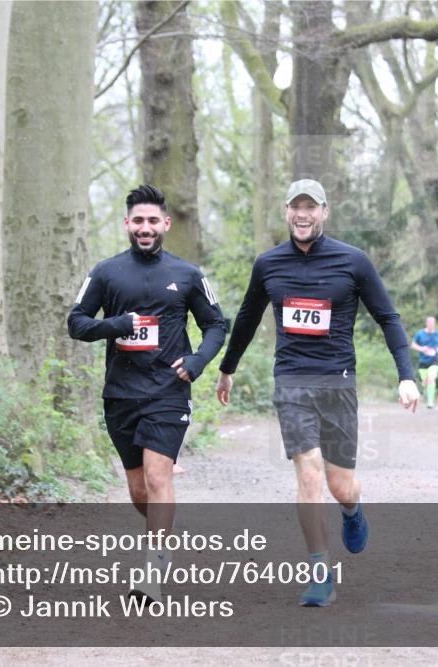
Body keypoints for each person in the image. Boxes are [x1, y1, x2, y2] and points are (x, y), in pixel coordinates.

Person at [215, 179, 420, 607]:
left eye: (311, 207)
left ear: (324, 212)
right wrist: (227, 369)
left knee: (340, 484)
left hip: (338, 381)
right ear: (287, 212)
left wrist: (406, 375)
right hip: (291, 380)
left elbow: (388, 317)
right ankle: (319, 571)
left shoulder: (353, 261)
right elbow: (248, 317)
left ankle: (352, 507)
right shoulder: (268, 264)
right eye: (296, 207)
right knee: (308, 473)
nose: (302, 214)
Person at [68, 184, 226, 603]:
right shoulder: (106, 272)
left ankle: (153, 565)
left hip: (169, 391)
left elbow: (216, 325)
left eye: (153, 220)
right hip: (121, 394)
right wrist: (117, 324)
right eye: (138, 220)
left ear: (166, 224)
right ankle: (163, 536)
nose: (145, 227)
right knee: (140, 491)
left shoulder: (187, 275)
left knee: (159, 477)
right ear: (127, 224)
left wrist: (196, 363)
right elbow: (77, 323)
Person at [411, 316, 438, 409]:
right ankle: (426, 392)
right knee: (425, 382)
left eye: (433, 323)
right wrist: (422, 349)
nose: (431, 324)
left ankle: (430, 402)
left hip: (435, 360)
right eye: (429, 322)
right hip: (423, 362)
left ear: (434, 324)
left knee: (431, 377)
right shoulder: (420, 334)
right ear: (426, 323)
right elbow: (413, 345)